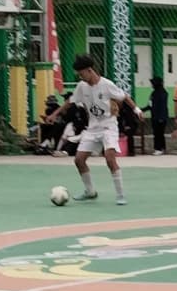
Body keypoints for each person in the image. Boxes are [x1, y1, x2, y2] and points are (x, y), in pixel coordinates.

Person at [51, 54, 142, 203]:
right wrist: (55, 114)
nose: (80, 77)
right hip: (92, 129)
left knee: (109, 159)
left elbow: (124, 96)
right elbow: (71, 101)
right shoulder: (82, 86)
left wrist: (137, 110)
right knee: (79, 160)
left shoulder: (106, 84)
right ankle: (90, 191)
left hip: (108, 127)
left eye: (81, 74)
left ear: (90, 70)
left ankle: (120, 195)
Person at [142, 76, 169, 155]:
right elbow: (151, 105)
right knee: (158, 133)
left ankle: (158, 148)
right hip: (155, 116)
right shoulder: (154, 93)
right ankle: (162, 148)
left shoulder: (161, 93)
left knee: (158, 133)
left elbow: (162, 106)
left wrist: (161, 117)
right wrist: (142, 110)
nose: (152, 85)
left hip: (160, 117)